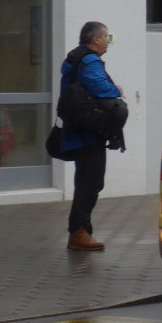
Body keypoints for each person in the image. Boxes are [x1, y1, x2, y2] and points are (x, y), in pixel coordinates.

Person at [60, 21, 124, 251]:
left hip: (77, 131)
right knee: (91, 182)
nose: (108, 41)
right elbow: (100, 87)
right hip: (88, 133)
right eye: (106, 36)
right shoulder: (89, 60)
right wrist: (117, 90)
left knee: (85, 181)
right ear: (95, 39)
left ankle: (82, 232)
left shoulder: (76, 59)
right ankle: (78, 232)